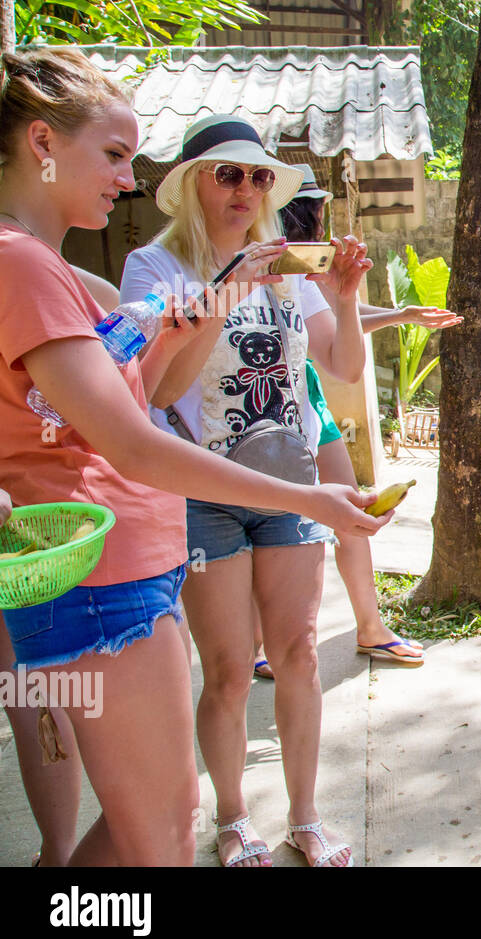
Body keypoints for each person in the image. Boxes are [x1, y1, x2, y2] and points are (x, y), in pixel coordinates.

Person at [0, 48, 386, 867]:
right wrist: (312, 500)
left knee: (159, 816)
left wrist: (330, 305)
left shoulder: (47, 266)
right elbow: (139, 440)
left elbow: (125, 395)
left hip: (130, 568)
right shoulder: (28, 264)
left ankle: (300, 816)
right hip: (112, 579)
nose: (124, 177)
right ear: (42, 142)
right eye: (112, 155)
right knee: (169, 827)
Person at [119, 114, 379, 867]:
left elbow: (344, 366)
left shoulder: (287, 269)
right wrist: (232, 287)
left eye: (260, 176)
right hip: (203, 492)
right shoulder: (154, 269)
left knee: (297, 651)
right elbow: (160, 386)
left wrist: (346, 292)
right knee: (231, 670)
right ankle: (233, 818)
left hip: (294, 485)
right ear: (191, 183)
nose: (246, 189)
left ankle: (305, 815)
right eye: (229, 173)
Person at [250, 166, 463, 678]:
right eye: (313, 205)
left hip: (308, 398)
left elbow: (331, 316)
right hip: (258, 409)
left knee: (354, 514)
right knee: (262, 523)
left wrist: (401, 314)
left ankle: (370, 627)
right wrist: (399, 314)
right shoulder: (267, 257)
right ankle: (260, 643)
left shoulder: (306, 260)